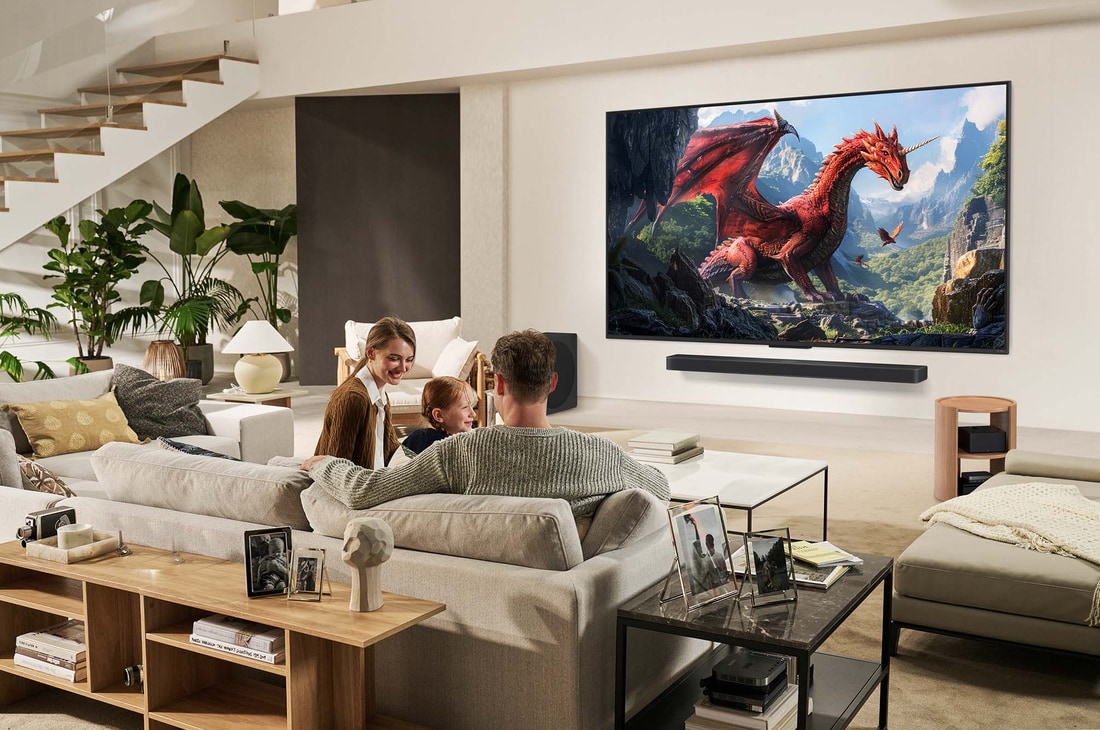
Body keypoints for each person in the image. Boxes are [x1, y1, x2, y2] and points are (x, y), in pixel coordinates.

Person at [301, 329, 670, 517]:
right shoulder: (602, 455)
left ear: (500, 384)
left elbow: (367, 490)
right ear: (554, 384)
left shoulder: (458, 451)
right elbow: (662, 488)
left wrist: (324, 463)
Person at [314, 316, 416, 469]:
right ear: (371, 353)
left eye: (409, 359)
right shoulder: (353, 398)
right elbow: (337, 469)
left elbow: (391, 447)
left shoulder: (379, 394)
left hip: (374, 481)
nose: (403, 368)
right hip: (356, 488)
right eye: (394, 358)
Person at [402, 376, 478, 456]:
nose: (473, 414)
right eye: (465, 407)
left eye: (472, 406)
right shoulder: (429, 442)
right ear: (439, 415)